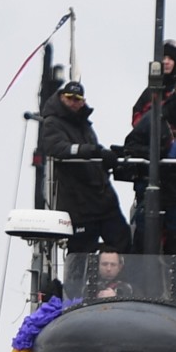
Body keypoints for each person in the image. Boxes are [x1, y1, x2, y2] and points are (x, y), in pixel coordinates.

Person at [38, 81, 128, 254]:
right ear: (62, 97)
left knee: (122, 243)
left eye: (78, 99)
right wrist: (90, 151)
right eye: (70, 98)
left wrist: (107, 157)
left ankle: (122, 280)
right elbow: (57, 148)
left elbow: (93, 151)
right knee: (81, 254)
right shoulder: (52, 123)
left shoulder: (84, 123)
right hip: (78, 201)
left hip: (102, 197)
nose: (74, 102)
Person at [120, 92, 176, 254]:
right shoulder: (152, 120)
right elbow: (131, 146)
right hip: (151, 185)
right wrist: (157, 153)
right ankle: (141, 276)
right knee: (145, 235)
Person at [130, 39, 176, 125]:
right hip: (155, 135)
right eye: (163, 58)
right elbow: (136, 116)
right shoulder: (151, 91)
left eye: (170, 59)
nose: (166, 62)